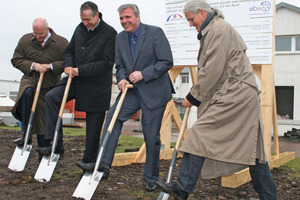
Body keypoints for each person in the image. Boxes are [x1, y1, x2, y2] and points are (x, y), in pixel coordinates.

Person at [155, 0, 277, 200]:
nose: (190, 24)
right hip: (238, 95)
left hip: (236, 96)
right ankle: (269, 197)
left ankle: (183, 187)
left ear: (202, 13)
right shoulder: (215, 29)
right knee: (254, 153)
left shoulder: (218, 30)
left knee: (199, 134)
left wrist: (193, 96)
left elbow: (212, 68)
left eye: (191, 19)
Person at [94, 4, 173, 192]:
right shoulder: (120, 38)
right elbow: (119, 64)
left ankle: (151, 178)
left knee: (150, 136)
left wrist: (144, 74)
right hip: (132, 91)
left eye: (127, 17)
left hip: (154, 91)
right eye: (121, 18)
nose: (124, 22)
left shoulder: (155, 33)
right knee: (113, 117)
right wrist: (121, 78)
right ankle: (103, 166)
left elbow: (166, 61)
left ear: (137, 17)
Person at [35, 1, 117, 167]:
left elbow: (107, 63)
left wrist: (80, 70)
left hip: (97, 86)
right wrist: (68, 65)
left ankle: (89, 163)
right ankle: (54, 144)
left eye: (88, 19)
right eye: (82, 19)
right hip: (76, 80)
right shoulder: (79, 28)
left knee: (93, 129)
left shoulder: (110, 33)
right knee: (52, 97)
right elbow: (69, 50)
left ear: (96, 15)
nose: (85, 23)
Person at [11, 17, 69, 161]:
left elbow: (68, 62)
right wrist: (33, 65)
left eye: (40, 34)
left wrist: (51, 66)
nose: (37, 37)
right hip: (30, 79)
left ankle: (43, 154)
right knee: (26, 93)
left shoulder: (61, 43)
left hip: (48, 85)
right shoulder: (25, 40)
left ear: (48, 29)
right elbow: (16, 59)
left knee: (44, 121)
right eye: (35, 34)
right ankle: (26, 133)